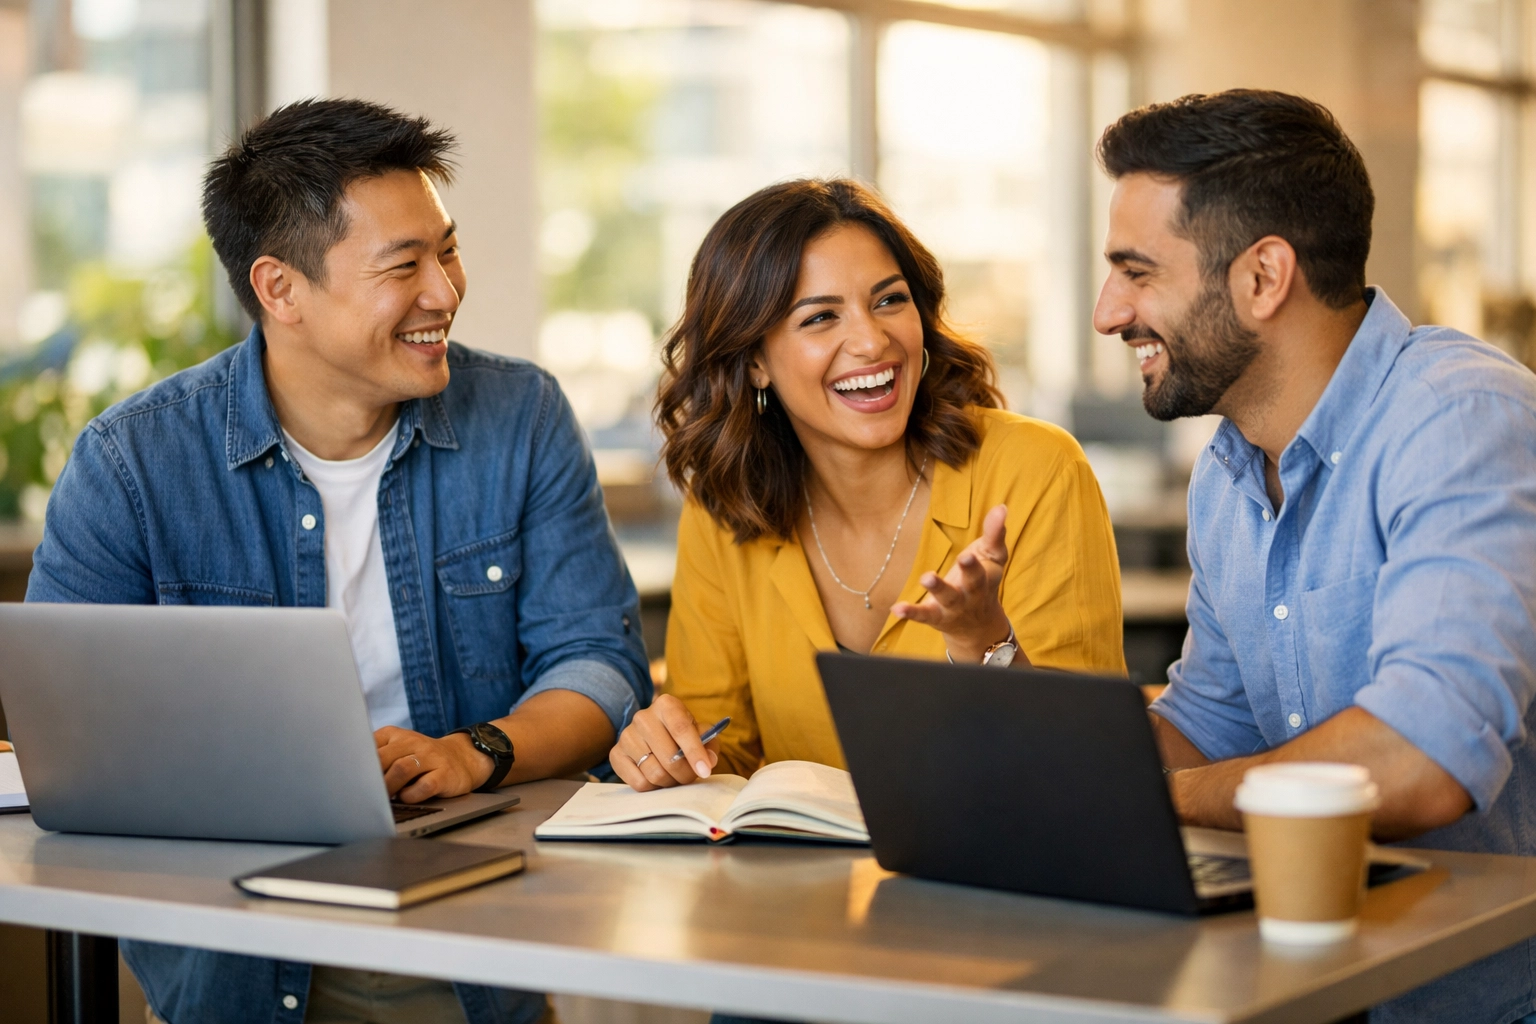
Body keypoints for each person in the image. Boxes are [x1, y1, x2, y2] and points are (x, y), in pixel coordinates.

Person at [26, 99, 650, 1024]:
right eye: (405, 266)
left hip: (473, 943)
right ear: (280, 289)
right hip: (233, 954)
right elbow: (67, 733)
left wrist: (477, 750)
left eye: (447, 250)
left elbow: (599, 665)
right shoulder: (134, 462)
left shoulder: (520, 418)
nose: (445, 290)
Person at [1094, 89, 1536, 1022]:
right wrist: (1024, 757)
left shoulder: (1461, 419)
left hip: (1491, 998)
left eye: (1136, 271)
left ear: (1263, 278)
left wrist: (1164, 800)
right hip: (1318, 982)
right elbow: (1213, 723)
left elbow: (1421, 760)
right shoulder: (1228, 474)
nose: (1108, 312)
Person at [610, 178, 1126, 790]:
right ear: (754, 361)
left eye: (889, 301)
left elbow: (1088, 762)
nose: (872, 340)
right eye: (821, 317)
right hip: (798, 880)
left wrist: (987, 642)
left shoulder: (1036, 470)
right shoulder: (726, 506)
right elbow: (728, 753)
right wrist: (668, 754)